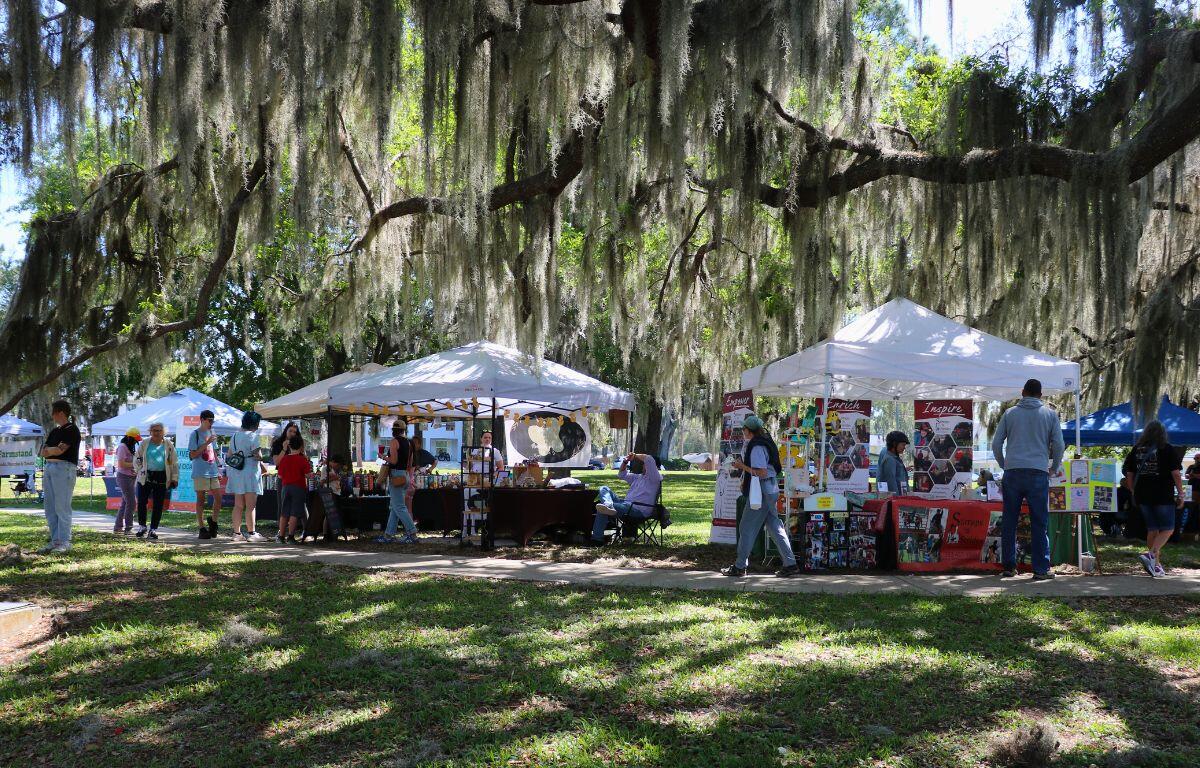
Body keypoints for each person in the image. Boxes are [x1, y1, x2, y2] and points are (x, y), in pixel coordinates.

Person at [991, 379, 1064, 580]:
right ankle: (1040, 569)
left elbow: (996, 443)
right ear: (1041, 395)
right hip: (1038, 472)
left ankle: (1008, 566)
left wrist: (1005, 464)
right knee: (1039, 522)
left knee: (1009, 522)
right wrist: (1054, 468)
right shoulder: (1049, 415)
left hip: (1013, 471)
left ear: (1022, 392)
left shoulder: (1010, 413)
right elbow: (1059, 445)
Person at [721, 414, 800, 578]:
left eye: (744, 429)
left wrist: (741, 466)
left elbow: (761, 472)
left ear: (749, 431)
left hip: (761, 492)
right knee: (775, 527)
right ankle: (790, 564)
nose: (742, 432)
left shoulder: (756, 447)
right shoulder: (766, 441)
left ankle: (739, 566)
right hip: (771, 489)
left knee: (746, 528)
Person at [1122, 420, 1184, 578]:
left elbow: (1129, 474)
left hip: (1143, 495)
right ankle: (1151, 555)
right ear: (1163, 433)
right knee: (1168, 528)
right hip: (1162, 494)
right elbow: (1176, 474)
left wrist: (1134, 491)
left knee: (1153, 529)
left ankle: (1155, 566)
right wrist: (1181, 494)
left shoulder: (1136, 450)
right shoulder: (1167, 449)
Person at [588, 453, 663, 545]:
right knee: (604, 488)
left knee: (602, 509)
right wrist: (625, 461)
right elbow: (621, 474)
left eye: (645, 464)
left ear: (653, 467)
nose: (643, 465)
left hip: (638, 510)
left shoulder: (655, 478)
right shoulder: (638, 477)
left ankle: (597, 540)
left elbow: (649, 458)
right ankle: (609, 505)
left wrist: (634, 455)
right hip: (626, 505)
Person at [38, 400, 82, 554]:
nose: (52, 416)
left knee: (61, 507)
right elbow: (44, 451)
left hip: (64, 469)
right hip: (49, 468)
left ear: (61, 412)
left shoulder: (72, 429)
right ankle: (55, 540)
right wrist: (51, 450)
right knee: (50, 507)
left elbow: (59, 451)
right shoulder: (55, 431)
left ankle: (64, 541)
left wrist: (51, 450)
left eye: (53, 412)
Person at [227, 410, 267, 542]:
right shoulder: (254, 436)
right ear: (254, 423)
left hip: (237, 472)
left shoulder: (234, 436)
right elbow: (258, 455)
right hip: (250, 472)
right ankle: (252, 533)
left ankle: (236, 534)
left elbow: (229, 455)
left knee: (238, 505)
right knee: (251, 506)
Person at [134, 422, 179, 540]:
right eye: (154, 430)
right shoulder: (144, 443)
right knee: (142, 502)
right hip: (145, 476)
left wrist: (174, 478)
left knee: (158, 505)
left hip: (162, 477)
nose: (156, 432)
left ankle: (153, 529)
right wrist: (140, 470)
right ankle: (142, 526)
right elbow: (137, 458)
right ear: (150, 431)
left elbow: (174, 463)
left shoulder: (169, 444)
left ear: (163, 432)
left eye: (159, 430)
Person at [377, 422, 417, 544]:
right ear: (404, 430)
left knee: (399, 507)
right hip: (405, 476)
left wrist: (383, 456)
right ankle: (388, 535)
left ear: (394, 430)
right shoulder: (410, 443)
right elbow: (410, 464)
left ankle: (413, 533)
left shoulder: (394, 441)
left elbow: (393, 461)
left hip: (396, 476)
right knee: (394, 506)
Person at [188, 409, 223, 539]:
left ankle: (213, 523)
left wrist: (218, 468)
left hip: (212, 470)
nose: (211, 423)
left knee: (219, 498)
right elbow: (192, 455)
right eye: (209, 420)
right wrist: (206, 443)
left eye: (213, 420)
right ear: (202, 420)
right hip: (200, 471)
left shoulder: (211, 433)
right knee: (201, 499)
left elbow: (213, 452)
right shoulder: (195, 434)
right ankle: (202, 528)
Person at [275, 435, 311, 544]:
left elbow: (280, 476)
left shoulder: (284, 459)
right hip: (298, 488)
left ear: (289, 446)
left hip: (285, 487)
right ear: (301, 447)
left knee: (284, 512)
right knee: (294, 513)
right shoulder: (302, 459)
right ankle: (291, 536)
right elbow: (308, 475)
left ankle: (281, 536)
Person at [113, 428, 141, 534]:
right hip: (124, 477)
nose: (136, 442)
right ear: (129, 438)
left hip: (131, 477)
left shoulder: (129, 447)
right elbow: (121, 464)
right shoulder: (122, 447)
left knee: (125, 503)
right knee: (132, 502)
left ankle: (118, 527)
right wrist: (135, 464)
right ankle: (128, 528)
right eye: (135, 440)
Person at [877, 431, 909, 495]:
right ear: (894, 444)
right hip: (895, 501)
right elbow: (891, 483)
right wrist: (896, 501)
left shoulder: (894, 458)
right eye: (903, 445)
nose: (904, 447)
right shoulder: (889, 459)